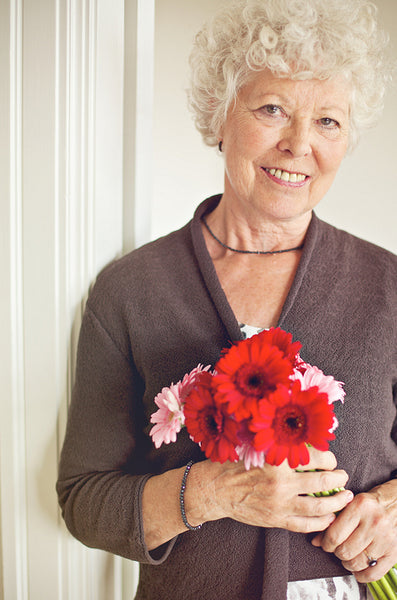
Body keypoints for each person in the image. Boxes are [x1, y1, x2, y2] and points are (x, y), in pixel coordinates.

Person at [56, 1, 397, 598]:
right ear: (220, 116)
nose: (298, 145)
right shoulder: (131, 290)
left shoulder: (388, 286)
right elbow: (85, 498)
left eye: (328, 122)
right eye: (273, 109)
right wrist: (216, 491)